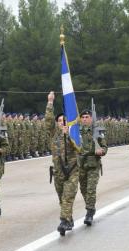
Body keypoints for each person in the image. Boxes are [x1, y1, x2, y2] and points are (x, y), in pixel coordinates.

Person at [44, 91, 80, 235]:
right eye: (59, 121)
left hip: (72, 170)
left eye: (64, 120)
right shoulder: (54, 134)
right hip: (58, 172)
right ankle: (69, 219)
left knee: (67, 196)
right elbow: (48, 121)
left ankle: (64, 221)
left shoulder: (75, 134)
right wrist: (50, 102)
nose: (62, 123)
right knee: (61, 198)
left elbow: (79, 148)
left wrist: (69, 135)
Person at [78, 109, 107, 226]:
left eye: (87, 117)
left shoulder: (97, 131)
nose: (85, 119)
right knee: (83, 189)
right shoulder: (76, 131)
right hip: (80, 164)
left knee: (91, 189)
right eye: (83, 117)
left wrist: (102, 151)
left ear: (91, 118)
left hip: (93, 164)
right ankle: (90, 207)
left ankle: (89, 212)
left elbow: (104, 147)